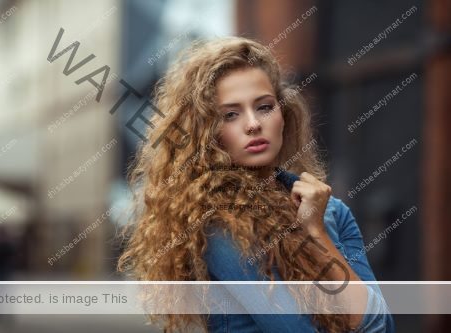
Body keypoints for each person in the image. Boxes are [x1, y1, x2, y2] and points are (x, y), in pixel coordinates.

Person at [118, 37, 394, 332]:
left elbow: (382, 325)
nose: (253, 124)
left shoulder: (331, 211)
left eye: (264, 107)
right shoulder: (220, 225)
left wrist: (316, 232)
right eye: (231, 115)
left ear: (284, 115)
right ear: (207, 132)